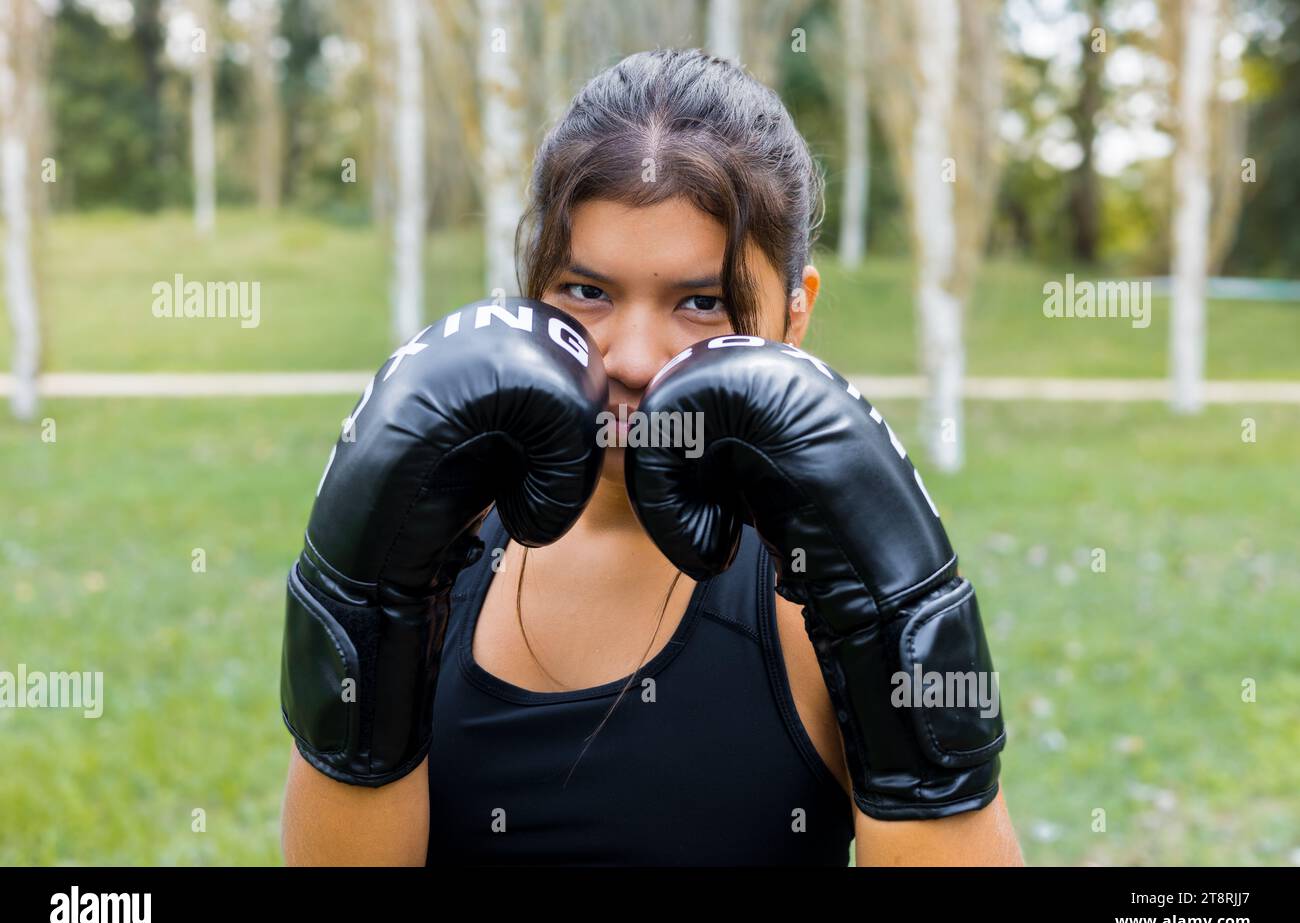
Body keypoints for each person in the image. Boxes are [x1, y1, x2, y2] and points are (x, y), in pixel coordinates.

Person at [280, 48, 1023, 866]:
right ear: (531, 294)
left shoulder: (812, 593)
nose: (632, 357)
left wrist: (905, 622)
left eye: (701, 303)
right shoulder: (432, 546)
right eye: (587, 291)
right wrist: (357, 596)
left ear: (795, 315)